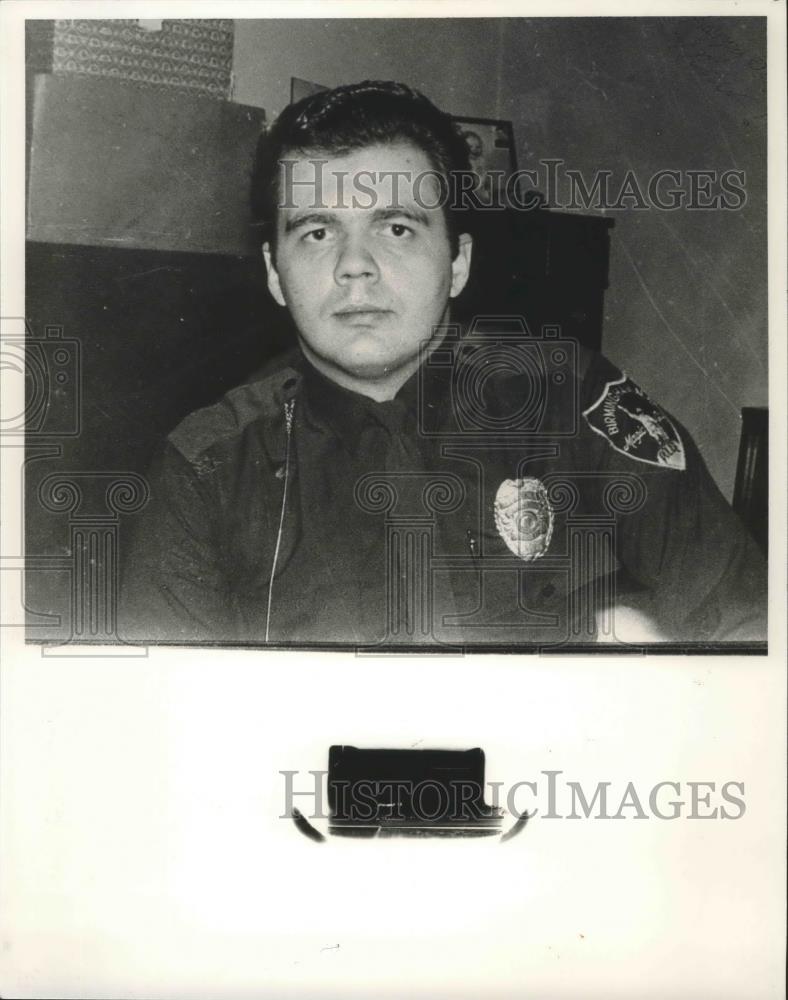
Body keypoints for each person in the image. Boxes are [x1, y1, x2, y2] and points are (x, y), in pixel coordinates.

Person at [120, 80, 767, 647]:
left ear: (457, 261)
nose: (355, 265)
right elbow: (161, 730)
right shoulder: (206, 468)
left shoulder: (573, 400)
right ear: (273, 271)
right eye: (317, 231)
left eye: (396, 228)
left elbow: (748, 623)